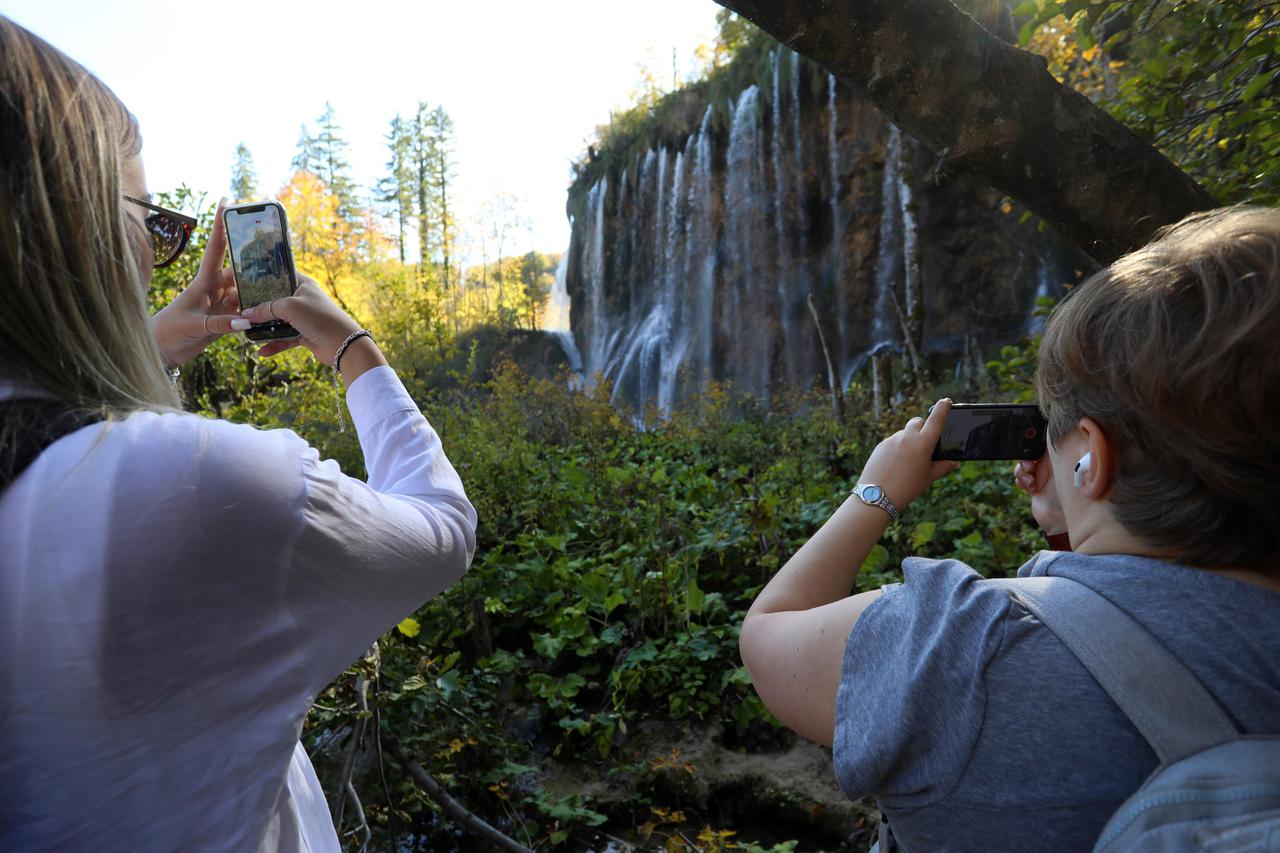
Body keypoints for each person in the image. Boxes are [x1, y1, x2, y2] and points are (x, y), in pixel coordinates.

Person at [0, 18, 476, 851]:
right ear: (72, 231)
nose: (155, 254)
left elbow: (44, 423)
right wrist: (347, 341)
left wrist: (160, 339)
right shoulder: (197, 486)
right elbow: (443, 527)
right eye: (150, 221)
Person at [738, 205, 1280, 850]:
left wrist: (875, 492)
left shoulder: (960, 644)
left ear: (1090, 455)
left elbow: (769, 634)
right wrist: (1072, 512)